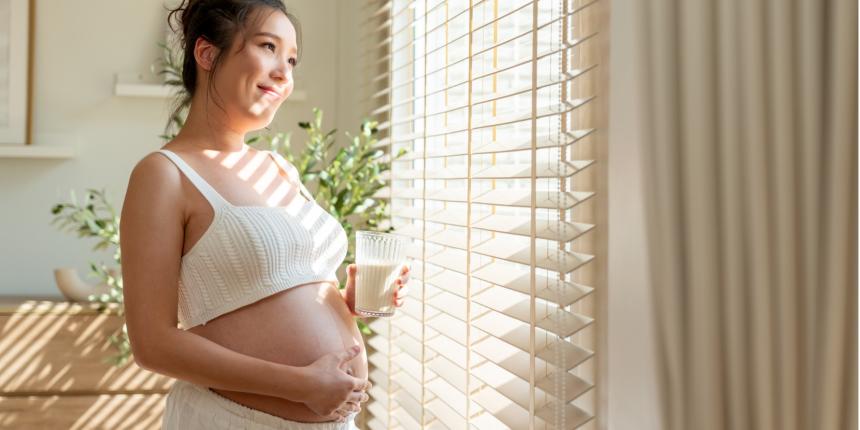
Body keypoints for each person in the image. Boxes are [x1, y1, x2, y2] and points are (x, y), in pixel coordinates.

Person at [118, 1, 410, 428]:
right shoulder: (164, 175)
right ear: (207, 54)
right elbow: (152, 344)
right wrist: (300, 384)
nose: (284, 72)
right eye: (268, 47)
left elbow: (277, 292)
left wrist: (344, 303)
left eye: (291, 59)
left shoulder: (277, 169)